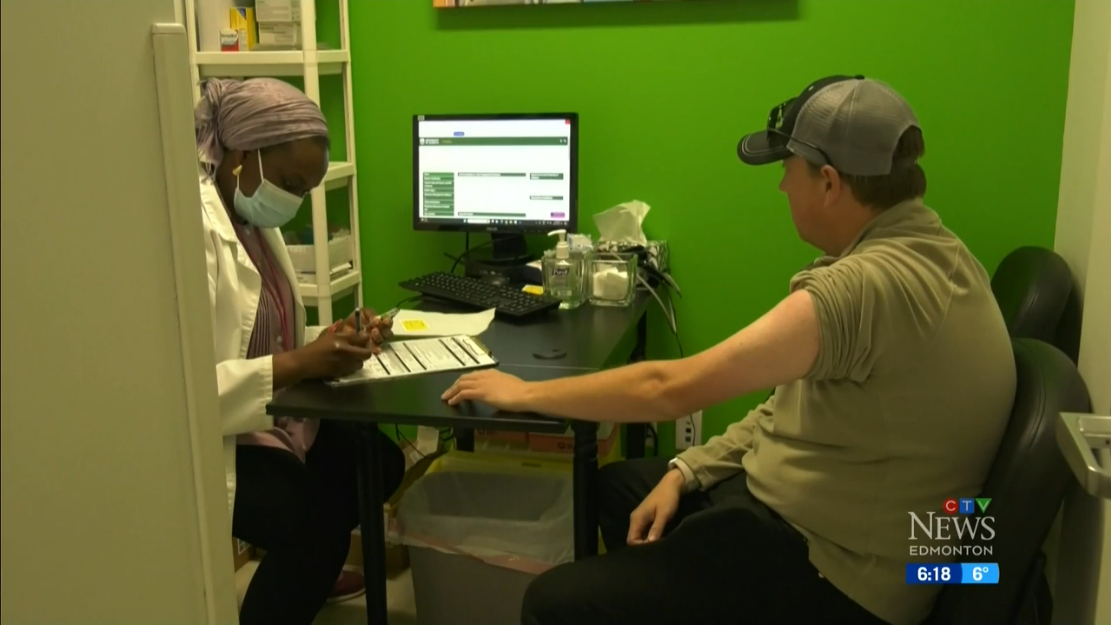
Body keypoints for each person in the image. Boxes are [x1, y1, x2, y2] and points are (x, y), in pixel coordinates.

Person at [441, 76, 1017, 625]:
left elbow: (668, 390)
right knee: (621, 492)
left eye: (789, 169)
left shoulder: (863, 290)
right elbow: (786, 407)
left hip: (841, 578)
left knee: (551, 604)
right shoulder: (942, 255)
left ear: (830, 183)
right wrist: (686, 471)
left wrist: (524, 392)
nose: (782, 186)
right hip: (838, 518)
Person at [196, 77, 406, 625]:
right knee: (313, 524)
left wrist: (327, 342)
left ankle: (308, 566)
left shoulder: (252, 220)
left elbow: (271, 336)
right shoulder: (194, 231)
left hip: (274, 413)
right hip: (219, 435)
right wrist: (302, 364)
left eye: (306, 190)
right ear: (242, 155)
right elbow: (188, 389)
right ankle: (310, 560)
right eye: (290, 183)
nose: (294, 201)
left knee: (377, 462)